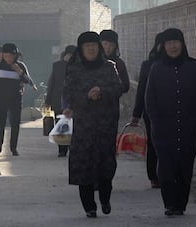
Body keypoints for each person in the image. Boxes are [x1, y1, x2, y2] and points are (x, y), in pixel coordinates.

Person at [145, 28, 196, 216]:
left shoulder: (193, 66)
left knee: (185, 165)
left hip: (188, 128)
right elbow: (150, 99)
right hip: (163, 128)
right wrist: (156, 122)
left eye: (176, 42)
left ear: (182, 44)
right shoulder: (156, 68)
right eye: (168, 43)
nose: (173, 46)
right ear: (163, 46)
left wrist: (194, 118)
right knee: (166, 166)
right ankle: (169, 204)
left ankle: (181, 203)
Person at [63, 32, 122, 218]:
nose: (91, 48)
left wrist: (102, 92)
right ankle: (89, 206)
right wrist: (87, 96)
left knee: (106, 166)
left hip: (106, 126)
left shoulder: (109, 67)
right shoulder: (74, 69)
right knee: (84, 166)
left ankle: (105, 198)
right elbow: (69, 95)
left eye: (94, 45)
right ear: (81, 49)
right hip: (84, 128)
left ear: (99, 48)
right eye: (87, 45)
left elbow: (119, 88)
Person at [0, 43, 35, 156]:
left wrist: (19, 72)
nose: (8, 58)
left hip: (15, 98)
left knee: (15, 123)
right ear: (3, 55)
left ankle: (13, 147)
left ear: (16, 56)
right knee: (1, 122)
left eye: (11, 56)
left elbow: (28, 80)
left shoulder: (21, 66)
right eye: (6, 56)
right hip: (0, 97)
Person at [131, 32, 164, 189]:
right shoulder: (148, 65)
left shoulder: (183, 65)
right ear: (157, 46)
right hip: (152, 112)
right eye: (163, 43)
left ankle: (169, 174)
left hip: (174, 112)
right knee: (154, 143)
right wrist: (136, 114)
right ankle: (154, 176)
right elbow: (141, 90)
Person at [44, 45, 76, 157]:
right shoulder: (57, 66)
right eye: (70, 55)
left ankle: (73, 147)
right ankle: (62, 149)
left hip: (74, 101)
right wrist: (47, 101)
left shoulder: (78, 66)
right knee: (60, 125)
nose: (71, 57)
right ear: (66, 54)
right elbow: (51, 84)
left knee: (74, 125)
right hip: (58, 100)